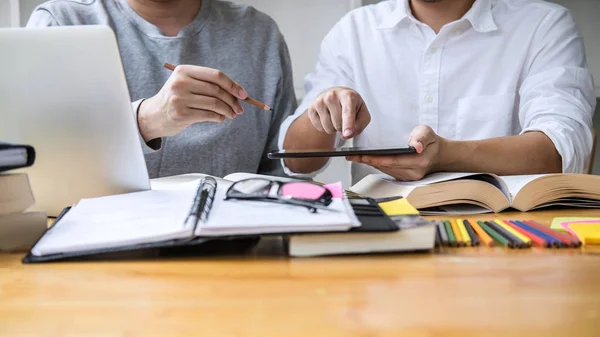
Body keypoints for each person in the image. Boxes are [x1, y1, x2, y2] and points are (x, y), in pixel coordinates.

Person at [279, 0, 596, 184]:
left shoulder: (542, 25)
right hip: (379, 237)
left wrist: (447, 155)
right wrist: (323, 114)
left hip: (508, 239)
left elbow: (560, 151)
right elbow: (296, 162)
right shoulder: (354, 31)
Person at [27, 0, 297, 178]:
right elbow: (36, 165)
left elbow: (279, 172)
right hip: (97, 252)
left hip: (239, 251)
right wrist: (144, 121)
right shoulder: (60, 23)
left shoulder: (260, 34)